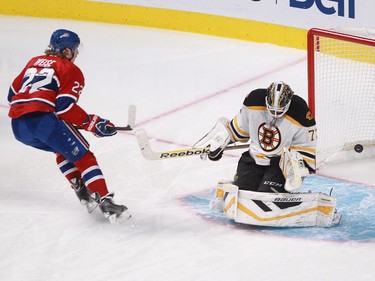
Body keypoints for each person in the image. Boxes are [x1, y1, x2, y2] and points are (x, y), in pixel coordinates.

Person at [7, 29, 130, 223]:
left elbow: (11, 94)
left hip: (18, 126)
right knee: (84, 157)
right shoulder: (69, 69)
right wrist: (93, 123)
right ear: (66, 51)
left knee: (63, 148)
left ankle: (82, 190)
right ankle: (106, 202)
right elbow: (64, 107)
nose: (77, 53)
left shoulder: (33, 62)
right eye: (74, 49)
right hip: (42, 122)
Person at [195, 81, 317, 194]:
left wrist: (299, 166)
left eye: (280, 110)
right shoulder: (253, 101)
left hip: (278, 166)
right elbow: (238, 130)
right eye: (272, 109)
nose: (275, 114)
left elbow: (305, 146)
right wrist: (221, 140)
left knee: (265, 196)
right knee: (241, 193)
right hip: (252, 160)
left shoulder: (300, 112)